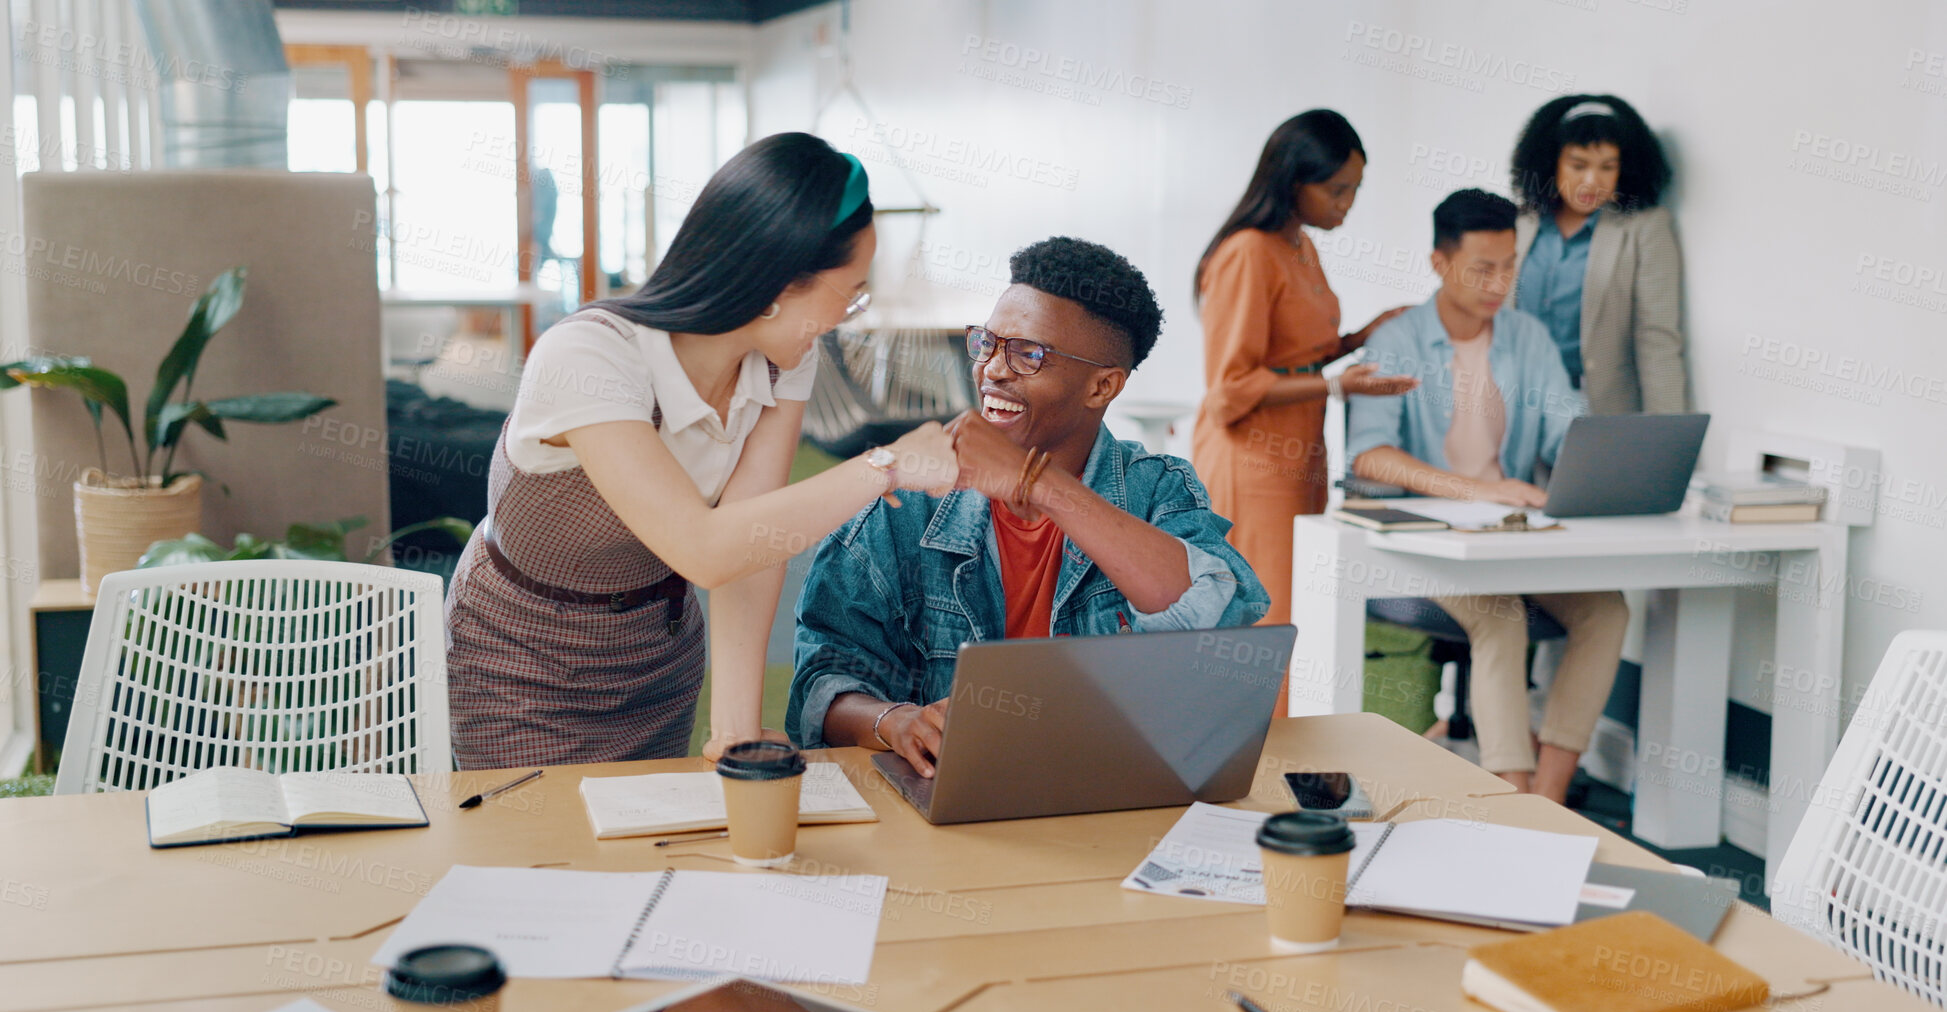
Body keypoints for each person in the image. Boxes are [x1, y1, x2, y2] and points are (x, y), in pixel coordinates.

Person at [444, 133, 959, 770]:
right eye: (849, 291)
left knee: (648, 847)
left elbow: (755, 543)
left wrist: (736, 731)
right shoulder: (589, 354)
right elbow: (704, 548)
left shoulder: (780, 360)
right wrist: (888, 465)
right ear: (780, 283)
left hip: (656, 652)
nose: (849, 314)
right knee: (540, 855)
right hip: (522, 658)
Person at [788, 238, 1270, 776]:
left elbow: (1220, 617)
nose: (992, 369)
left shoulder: (1157, 490)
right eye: (988, 343)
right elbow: (823, 676)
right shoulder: (906, 502)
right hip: (949, 801)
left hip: (1108, 790)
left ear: (1102, 385)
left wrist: (1038, 485)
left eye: (1028, 353)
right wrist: (894, 721)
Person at [1346, 189, 1627, 804]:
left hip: (1513, 531)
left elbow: (1567, 429)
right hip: (1427, 543)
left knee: (1606, 610)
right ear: (1440, 263)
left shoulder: (1528, 339)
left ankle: (1546, 805)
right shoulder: (1398, 340)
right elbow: (1368, 453)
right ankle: (1513, 800)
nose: (1499, 282)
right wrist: (1477, 489)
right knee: (1499, 617)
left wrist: (1607, 462)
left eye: (1509, 266)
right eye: (1483, 268)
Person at [1190, 109, 1418, 635]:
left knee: (1298, 611)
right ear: (1294, 182)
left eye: (1356, 189)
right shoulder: (1248, 252)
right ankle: (1265, 722)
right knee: (1266, 617)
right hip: (1252, 463)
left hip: (1301, 454)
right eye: (1337, 190)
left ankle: (1292, 721)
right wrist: (1339, 384)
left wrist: (1359, 339)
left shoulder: (1301, 245)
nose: (1348, 205)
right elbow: (1230, 390)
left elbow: (1294, 353)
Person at [1509, 94, 1688, 414]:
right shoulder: (1521, 224)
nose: (1592, 181)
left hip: (1594, 410)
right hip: (1514, 407)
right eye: (1578, 165)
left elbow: (1657, 340)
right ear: (1552, 163)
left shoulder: (1646, 229)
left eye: (1608, 167)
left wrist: (1665, 439)